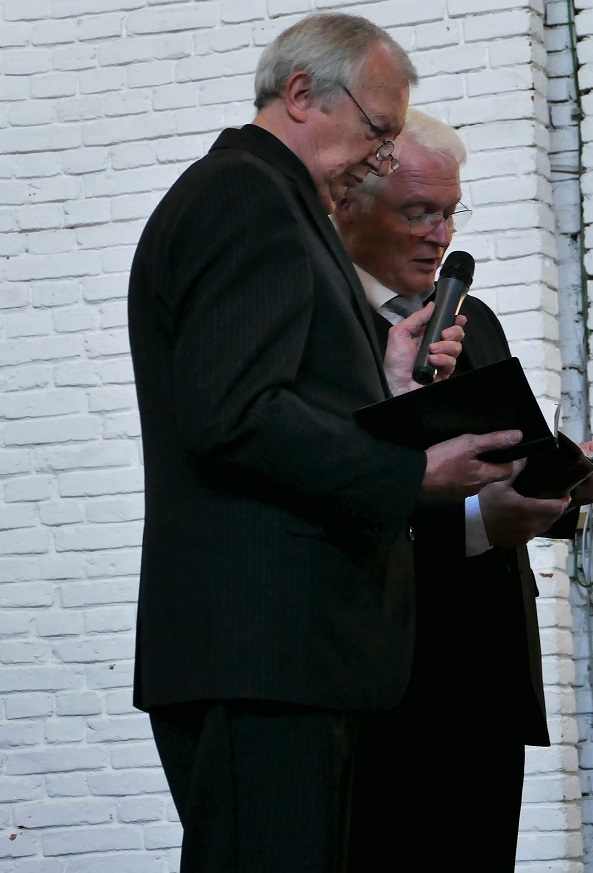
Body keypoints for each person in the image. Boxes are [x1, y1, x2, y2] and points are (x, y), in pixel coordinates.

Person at [127, 14, 522, 872]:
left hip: (281, 655)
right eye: (378, 134)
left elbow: (259, 397)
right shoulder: (245, 194)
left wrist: (381, 385)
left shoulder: (268, 202)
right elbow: (230, 414)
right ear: (302, 94)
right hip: (262, 653)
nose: (377, 160)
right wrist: (411, 469)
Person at [334, 109, 593, 870]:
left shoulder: (475, 320)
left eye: (451, 211)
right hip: (382, 677)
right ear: (352, 205)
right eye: (418, 212)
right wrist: (475, 521)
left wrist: (563, 484)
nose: (441, 234)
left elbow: (503, 470)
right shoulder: (327, 330)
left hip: (486, 672)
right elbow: (335, 491)